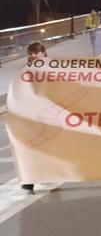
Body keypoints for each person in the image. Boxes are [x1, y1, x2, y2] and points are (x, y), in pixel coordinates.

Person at [22, 42, 48, 194]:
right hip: (31, 115)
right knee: (30, 148)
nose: (32, 56)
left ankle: (47, 173)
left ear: (43, 53)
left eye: (35, 53)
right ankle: (29, 182)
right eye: (30, 53)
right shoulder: (25, 70)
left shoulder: (54, 68)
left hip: (49, 115)